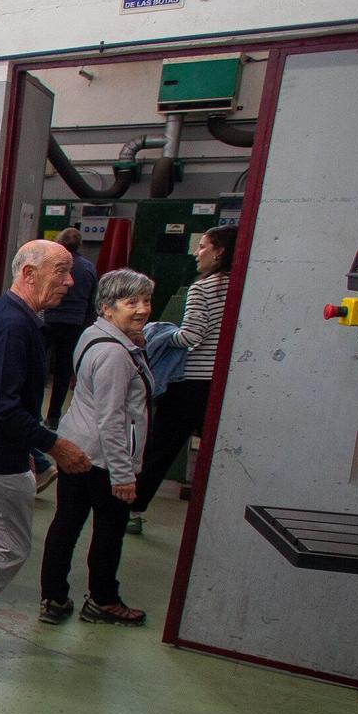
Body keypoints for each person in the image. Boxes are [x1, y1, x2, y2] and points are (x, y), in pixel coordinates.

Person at [0, 240, 91, 669]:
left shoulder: (14, 318)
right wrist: (53, 445)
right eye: (61, 271)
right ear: (28, 274)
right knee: (9, 549)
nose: (70, 282)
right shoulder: (14, 326)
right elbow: (3, 407)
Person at [38, 269, 157, 626]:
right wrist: (123, 475)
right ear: (107, 308)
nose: (142, 310)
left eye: (146, 301)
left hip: (80, 445)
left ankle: (54, 598)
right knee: (108, 530)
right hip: (103, 458)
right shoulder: (114, 355)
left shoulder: (96, 335)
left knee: (67, 523)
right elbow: (111, 419)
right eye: (130, 302)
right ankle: (103, 601)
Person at [129, 223, 236, 531]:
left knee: (160, 449)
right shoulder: (242, 288)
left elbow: (192, 335)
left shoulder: (204, 288)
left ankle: (133, 511)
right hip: (222, 382)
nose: (196, 253)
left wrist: (158, 334)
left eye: (203, 246)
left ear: (219, 252)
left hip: (190, 382)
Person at [42, 227, 99, 428]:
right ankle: (54, 416)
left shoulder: (53, 266)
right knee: (63, 371)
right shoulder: (88, 268)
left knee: (40, 365)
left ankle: (34, 411)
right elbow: (93, 300)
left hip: (49, 320)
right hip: (75, 324)